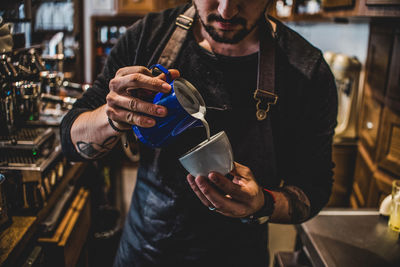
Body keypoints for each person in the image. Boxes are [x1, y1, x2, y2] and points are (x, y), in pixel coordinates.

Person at [60, 0, 338, 266]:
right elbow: (71, 139)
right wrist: (113, 118)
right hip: (144, 253)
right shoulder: (149, 36)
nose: (226, 10)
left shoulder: (305, 71)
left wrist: (263, 204)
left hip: (239, 259)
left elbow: (313, 189)